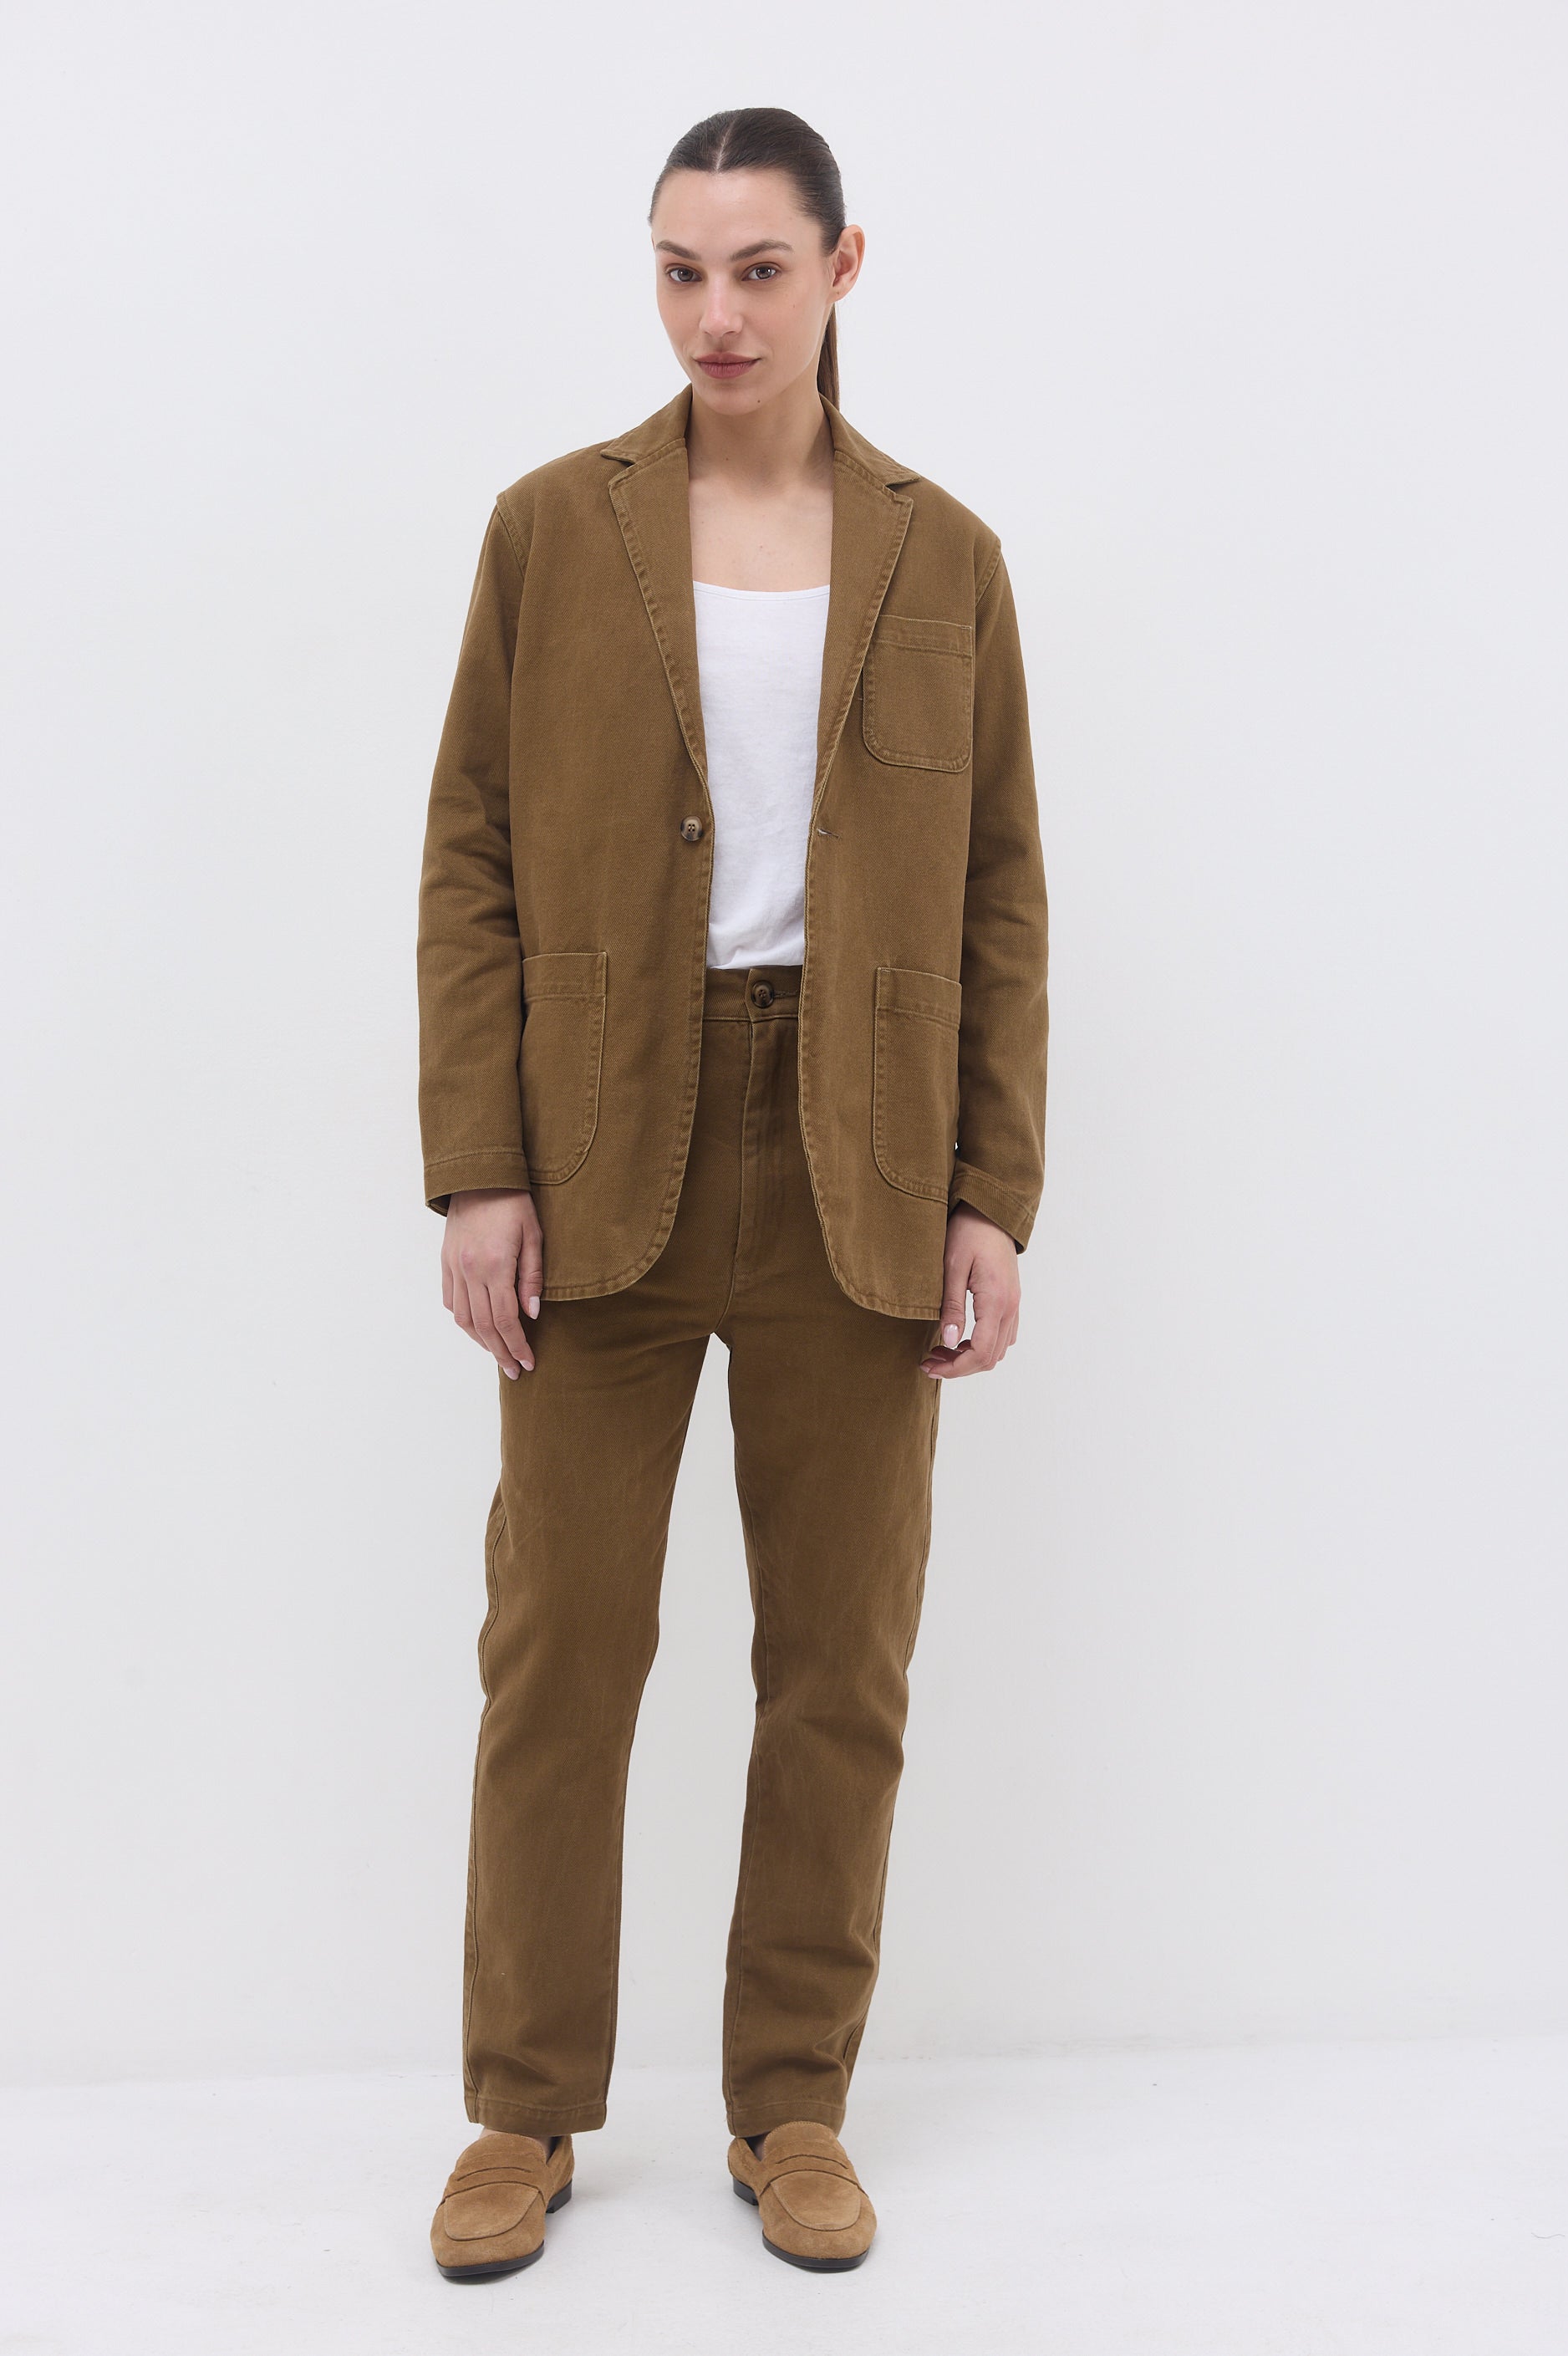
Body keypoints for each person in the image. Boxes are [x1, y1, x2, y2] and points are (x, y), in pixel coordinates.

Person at [417, 105, 1048, 2280]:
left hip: (861, 1149)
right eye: (681, 270)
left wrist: (992, 1191)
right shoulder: (549, 530)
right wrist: (479, 1168)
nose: (715, 315)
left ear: (842, 269)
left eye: (759, 269)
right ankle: (523, 2108)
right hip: (605, 1136)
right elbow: (471, 855)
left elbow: (1000, 892)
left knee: (839, 1665)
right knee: (560, 1651)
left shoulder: (946, 557)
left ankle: (793, 2103)